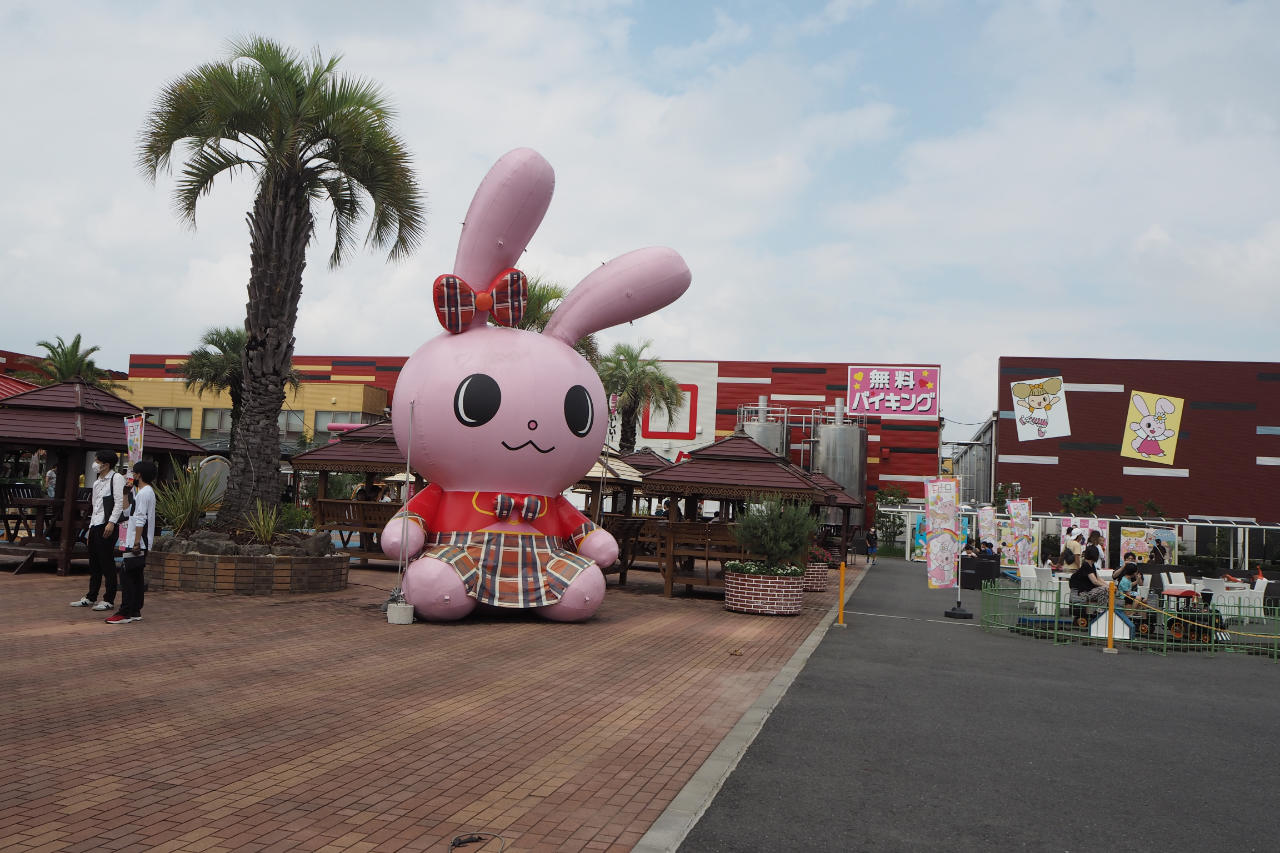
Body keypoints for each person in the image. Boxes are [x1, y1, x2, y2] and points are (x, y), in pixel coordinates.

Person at [70, 450, 126, 611]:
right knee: (94, 562)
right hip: (96, 524)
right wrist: (90, 528)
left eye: (97, 461)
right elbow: (95, 507)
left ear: (106, 464)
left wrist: (111, 522)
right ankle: (91, 596)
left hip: (107, 524)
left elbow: (119, 502)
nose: (95, 464)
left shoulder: (116, 478)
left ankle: (109, 599)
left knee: (107, 562)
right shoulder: (97, 482)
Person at [107, 460, 155, 624]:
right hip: (139, 540)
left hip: (137, 541)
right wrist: (125, 494)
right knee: (135, 576)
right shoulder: (142, 492)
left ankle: (125, 612)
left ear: (139, 475)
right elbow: (128, 512)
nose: (132, 475)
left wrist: (136, 542)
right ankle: (135, 610)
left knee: (126, 575)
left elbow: (140, 519)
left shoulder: (144, 493)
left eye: (134, 473)